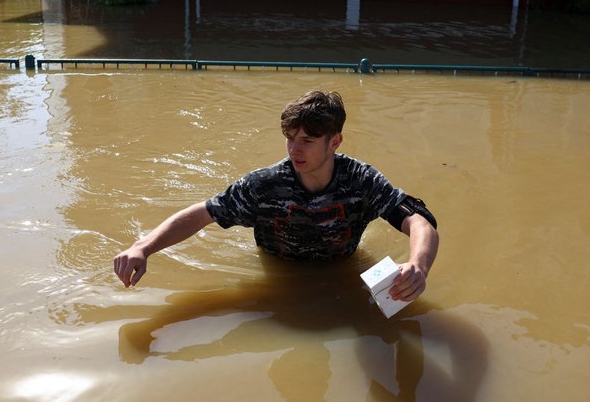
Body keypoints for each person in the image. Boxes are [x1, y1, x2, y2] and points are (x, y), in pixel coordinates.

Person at [113, 90, 440, 302]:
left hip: (342, 272)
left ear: (335, 141)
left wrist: (418, 267)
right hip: (279, 278)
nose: (295, 150)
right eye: (290, 139)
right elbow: (203, 214)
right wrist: (143, 247)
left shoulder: (362, 180)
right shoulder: (264, 185)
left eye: (308, 141)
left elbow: (419, 221)